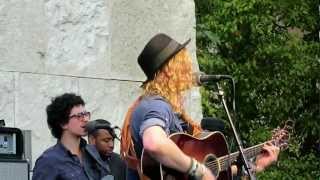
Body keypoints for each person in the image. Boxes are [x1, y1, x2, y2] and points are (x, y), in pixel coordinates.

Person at [120, 33, 279, 180]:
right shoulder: (155, 105)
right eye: (182, 64)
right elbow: (154, 142)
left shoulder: (168, 110)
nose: (189, 70)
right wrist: (198, 169)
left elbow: (207, 171)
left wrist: (255, 166)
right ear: (169, 71)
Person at [32, 93, 112, 180]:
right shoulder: (48, 161)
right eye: (79, 116)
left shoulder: (91, 152)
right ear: (63, 123)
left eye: (86, 114)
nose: (86, 119)